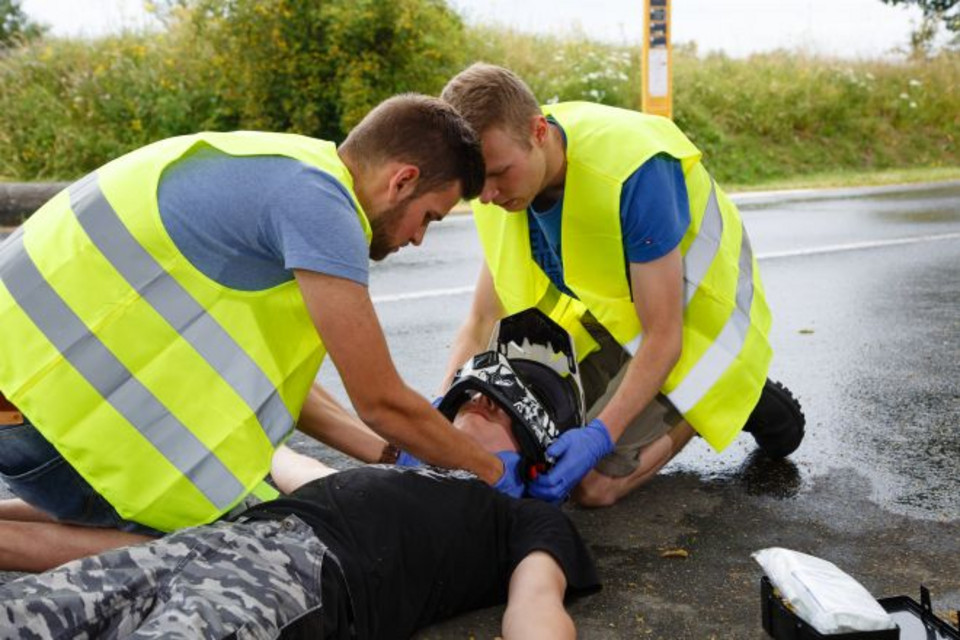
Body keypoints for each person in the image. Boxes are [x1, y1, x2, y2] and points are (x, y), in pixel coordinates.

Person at [0, 93, 524, 572]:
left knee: (224, 506)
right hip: (36, 409)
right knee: (232, 550)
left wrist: (390, 455)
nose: (418, 239)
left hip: (24, 390)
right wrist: (494, 473)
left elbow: (275, 385)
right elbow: (382, 399)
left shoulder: (289, 169)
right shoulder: (322, 208)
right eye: (428, 217)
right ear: (402, 180)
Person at [0, 355, 600, 640]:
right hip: (211, 544)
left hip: (298, 583)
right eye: (469, 397)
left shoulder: (521, 517)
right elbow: (278, 456)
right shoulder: (389, 476)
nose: (477, 404)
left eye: (495, 408)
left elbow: (537, 606)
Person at [439, 64, 806, 507]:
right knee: (520, 435)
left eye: (499, 174)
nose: (488, 196)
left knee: (593, 486)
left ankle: (720, 394)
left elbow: (664, 335)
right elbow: (481, 319)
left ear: (538, 132)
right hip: (610, 314)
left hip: (693, 323)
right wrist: (441, 412)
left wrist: (599, 436)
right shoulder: (495, 177)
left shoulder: (635, 172)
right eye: (478, 184)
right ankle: (674, 394)